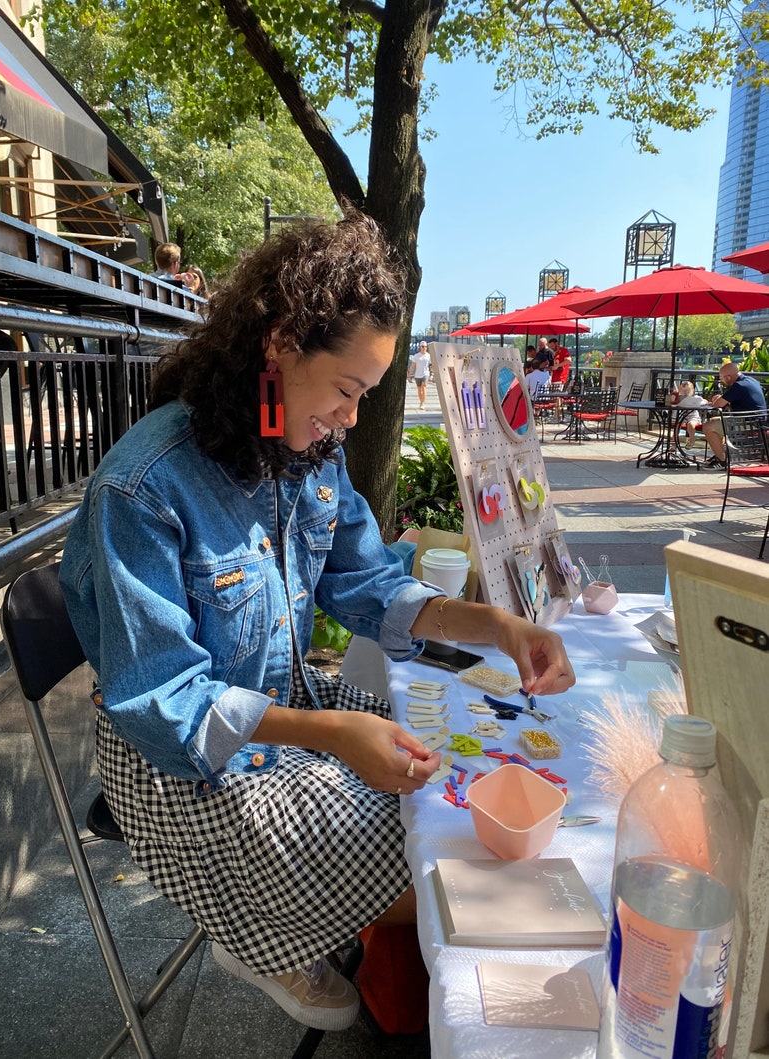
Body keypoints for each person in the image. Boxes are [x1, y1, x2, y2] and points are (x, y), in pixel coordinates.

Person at [59, 213, 575, 1032]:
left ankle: (309, 928)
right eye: (346, 391)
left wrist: (502, 627)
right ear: (281, 342)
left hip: (279, 708)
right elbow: (165, 702)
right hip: (173, 768)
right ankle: (267, 936)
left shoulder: (306, 452)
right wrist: (332, 734)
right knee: (433, 846)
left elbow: (370, 584)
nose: (352, 422)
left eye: (365, 399)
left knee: (443, 786)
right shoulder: (144, 488)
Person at [699, 362, 767, 467]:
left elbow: (718, 404)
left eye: (722, 378)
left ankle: (722, 461)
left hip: (749, 424)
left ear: (728, 377)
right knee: (714, 420)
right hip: (757, 421)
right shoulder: (751, 381)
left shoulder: (738, 386)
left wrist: (718, 400)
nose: (722, 381)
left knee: (708, 427)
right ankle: (721, 454)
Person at [675, 380, 709, 449]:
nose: (686, 392)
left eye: (688, 390)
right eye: (684, 390)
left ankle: (692, 439)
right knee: (677, 425)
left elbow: (705, 401)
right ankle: (674, 442)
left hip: (693, 417)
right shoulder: (679, 398)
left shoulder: (696, 398)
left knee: (691, 424)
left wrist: (705, 402)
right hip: (683, 416)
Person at [407, 339, 431, 409]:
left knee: (424, 386)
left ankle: (423, 403)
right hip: (417, 375)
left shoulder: (428, 356)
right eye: (423, 346)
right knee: (419, 389)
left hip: (425, 373)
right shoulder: (416, 356)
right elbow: (412, 365)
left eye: (425, 346)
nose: (424, 348)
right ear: (420, 347)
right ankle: (421, 401)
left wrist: (431, 374)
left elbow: (431, 365)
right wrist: (409, 374)